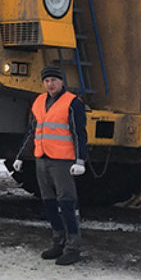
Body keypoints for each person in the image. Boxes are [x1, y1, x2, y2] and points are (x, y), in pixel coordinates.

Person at [13, 65, 88, 266]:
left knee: (67, 203)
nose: (50, 84)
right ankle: (58, 241)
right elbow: (32, 131)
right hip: (42, 159)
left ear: (61, 82)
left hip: (62, 161)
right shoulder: (39, 102)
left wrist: (80, 160)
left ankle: (73, 247)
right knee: (49, 203)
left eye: (54, 80)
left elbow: (79, 133)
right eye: (46, 81)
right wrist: (21, 156)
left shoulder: (72, 103)